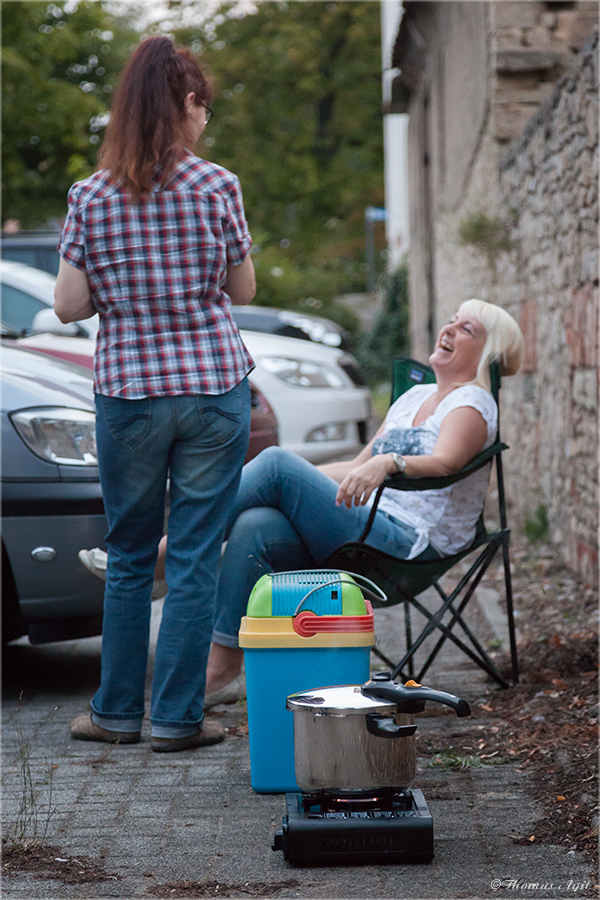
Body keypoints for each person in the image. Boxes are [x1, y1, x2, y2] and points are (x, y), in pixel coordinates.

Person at [80, 300, 524, 703]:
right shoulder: (414, 397)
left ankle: (156, 559)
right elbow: (355, 469)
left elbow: (446, 462)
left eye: (466, 329)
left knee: (274, 464)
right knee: (256, 522)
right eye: (451, 319)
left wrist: (388, 463)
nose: (449, 329)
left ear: (487, 353)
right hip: (370, 524)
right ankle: (221, 672)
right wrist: (316, 475)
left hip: (409, 544)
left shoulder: (472, 402)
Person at [54, 36, 256, 751]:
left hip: (131, 393)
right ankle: (176, 719)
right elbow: (242, 289)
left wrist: (124, 292)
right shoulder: (217, 185)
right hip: (210, 388)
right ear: (190, 105)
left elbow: (68, 306)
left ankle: (114, 713)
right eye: (205, 106)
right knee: (197, 553)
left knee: (132, 555)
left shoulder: (91, 195)